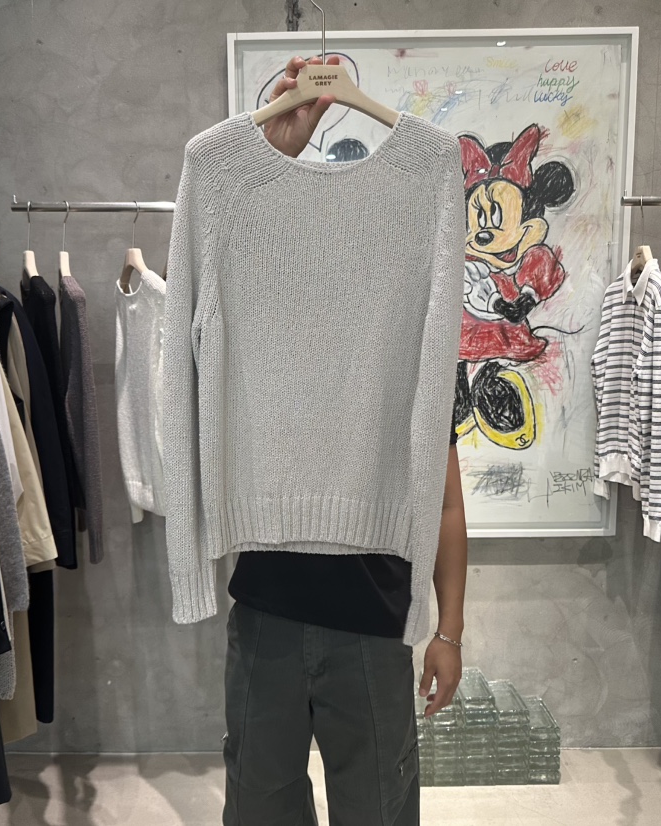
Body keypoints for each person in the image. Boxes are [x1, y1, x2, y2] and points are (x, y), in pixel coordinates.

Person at [221, 55, 468, 826]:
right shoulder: (264, 320)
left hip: (374, 620)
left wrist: (449, 631)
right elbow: (217, 243)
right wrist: (275, 147)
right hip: (264, 609)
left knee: (377, 810)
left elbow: (445, 503)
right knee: (260, 807)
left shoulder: (411, 335)